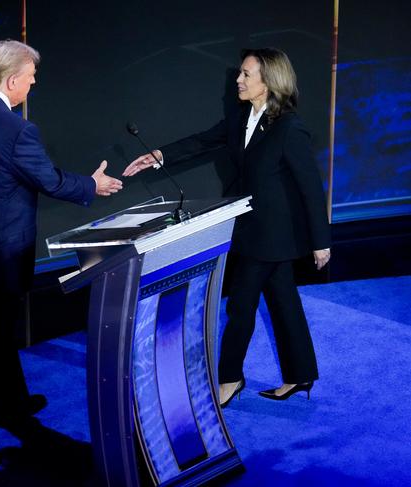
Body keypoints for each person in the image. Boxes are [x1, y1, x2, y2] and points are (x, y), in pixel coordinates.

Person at [0, 39, 123, 483]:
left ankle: (11, 406)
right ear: (13, 81)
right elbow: (48, 179)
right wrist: (92, 185)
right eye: (31, 78)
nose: (33, 83)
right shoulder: (16, 131)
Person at [122, 47, 331, 408]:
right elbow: (203, 141)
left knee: (240, 307)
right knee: (284, 302)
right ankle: (300, 374)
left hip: (272, 235)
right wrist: (159, 155)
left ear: (267, 82)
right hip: (249, 227)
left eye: (246, 74)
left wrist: (321, 241)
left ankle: (230, 379)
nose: (238, 79)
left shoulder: (289, 128)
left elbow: (310, 187)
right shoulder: (240, 118)